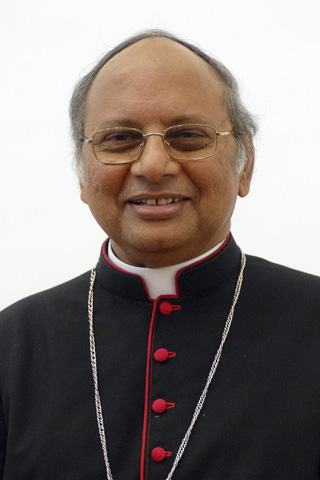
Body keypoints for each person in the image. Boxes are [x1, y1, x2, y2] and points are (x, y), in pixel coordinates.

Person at [0, 30, 319, 480]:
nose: (152, 165)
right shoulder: (13, 345)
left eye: (188, 136)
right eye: (119, 139)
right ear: (81, 173)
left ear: (245, 162)